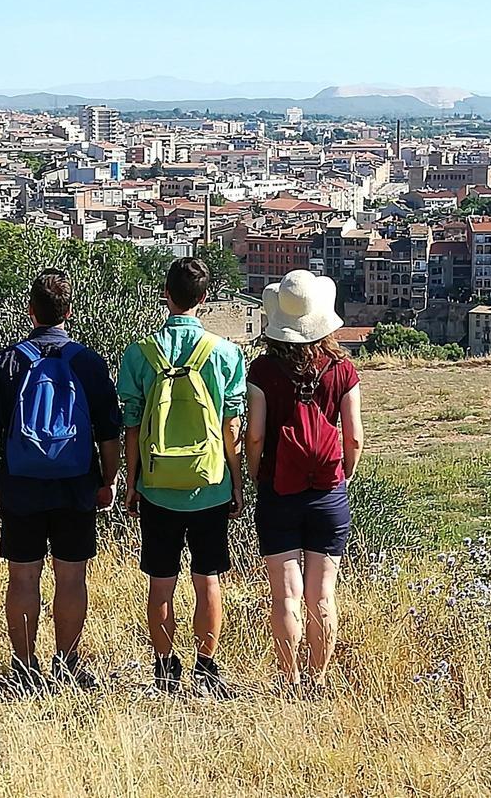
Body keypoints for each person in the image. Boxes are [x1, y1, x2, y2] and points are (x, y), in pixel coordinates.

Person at [0, 269, 122, 690]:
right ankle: (68, 663)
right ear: (69, 312)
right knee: (71, 578)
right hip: (76, 483)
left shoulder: (8, 361)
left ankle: (23, 667)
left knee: (22, 578)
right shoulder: (89, 362)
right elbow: (108, 432)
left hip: (21, 483)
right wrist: (108, 480)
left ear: (30, 311)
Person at [117, 257, 246, 697]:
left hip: (156, 485)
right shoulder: (226, 354)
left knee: (161, 581)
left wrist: (131, 482)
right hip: (209, 484)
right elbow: (231, 426)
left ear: (165, 295)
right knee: (208, 578)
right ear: (205, 300)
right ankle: (206, 667)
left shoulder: (139, 353)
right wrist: (237, 479)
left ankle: (164, 666)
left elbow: (132, 425)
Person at [245, 270, 363, 692]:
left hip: (279, 490)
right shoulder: (342, 370)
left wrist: (256, 472)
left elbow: (255, 434)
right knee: (323, 596)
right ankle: (319, 679)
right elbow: (354, 436)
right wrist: (342, 472)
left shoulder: (262, 369)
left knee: (286, 595)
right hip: (328, 492)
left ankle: (290, 679)